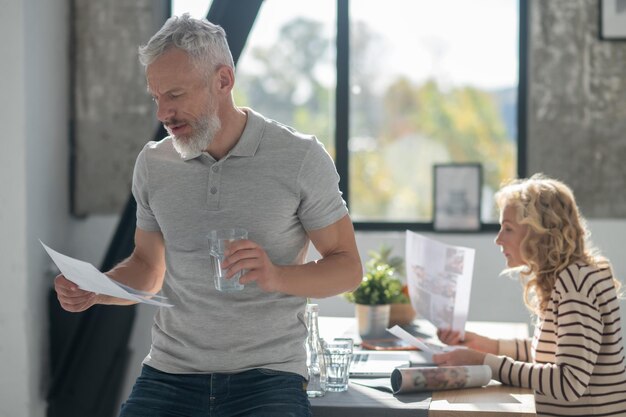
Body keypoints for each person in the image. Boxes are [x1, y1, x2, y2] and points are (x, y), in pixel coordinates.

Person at [54, 14, 362, 417]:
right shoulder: (154, 163)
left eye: (176, 94)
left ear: (223, 81)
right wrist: (98, 289)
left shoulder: (299, 157)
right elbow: (148, 267)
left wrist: (277, 276)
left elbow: (348, 268)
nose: (163, 112)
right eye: (156, 97)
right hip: (169, 373)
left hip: (268, 377)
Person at [433, 174, 626, 416]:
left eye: (508, 229)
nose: (498, 239)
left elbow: (568, 383)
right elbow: (553, 351)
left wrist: (484, 362)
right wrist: (486, 345)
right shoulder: (568, 276)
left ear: (540, 233)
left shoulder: (575, 282)